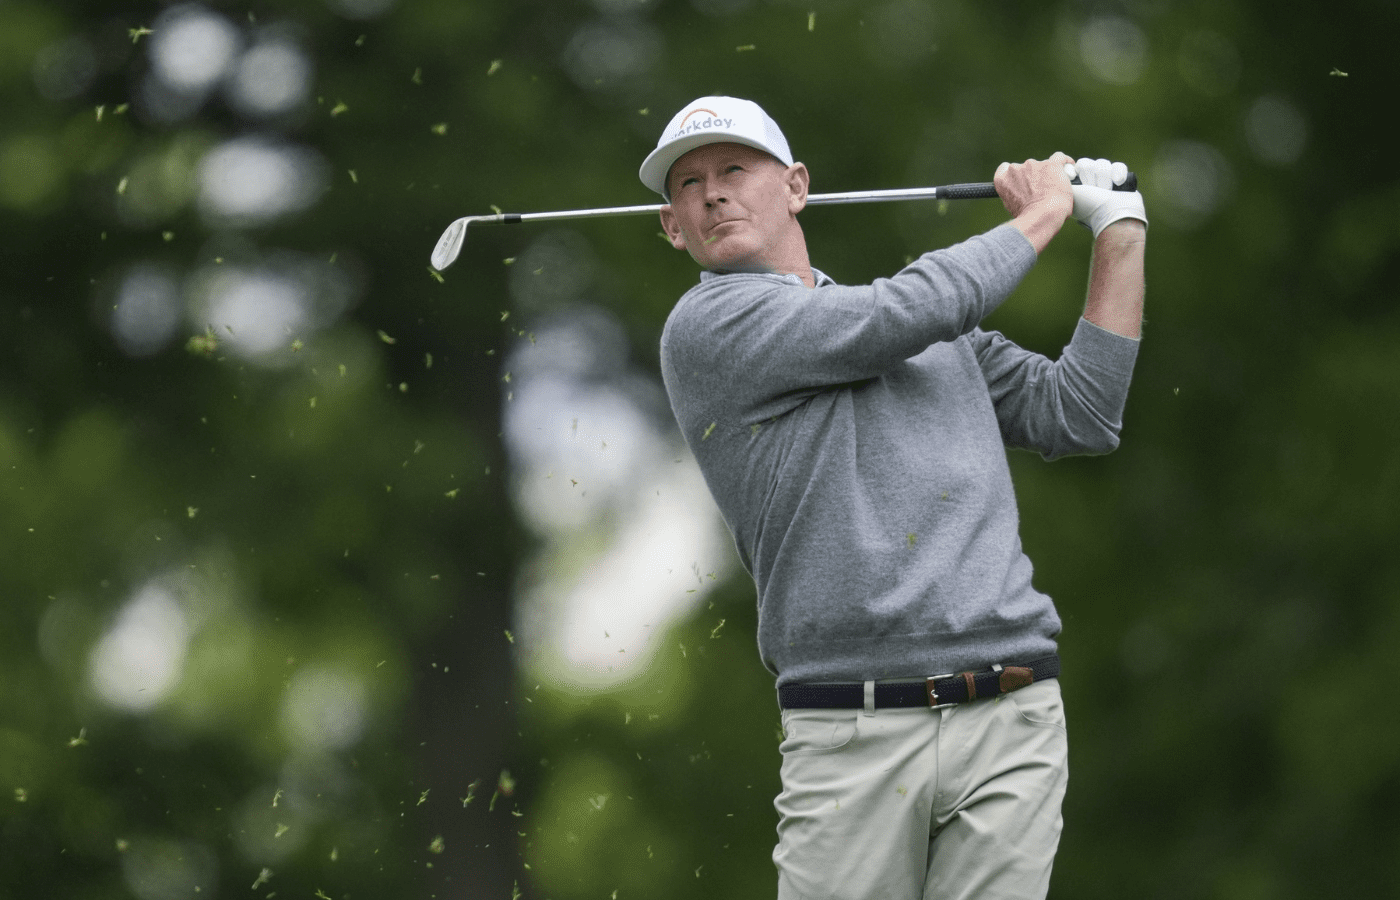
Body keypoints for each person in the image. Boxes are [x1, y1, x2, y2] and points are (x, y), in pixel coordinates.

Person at [640, 95, 1146, 900]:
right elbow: (901, 311)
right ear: (673, 227)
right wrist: (1044, 214)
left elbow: (1079, 414)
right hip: (850, 732)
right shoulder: (708, 328)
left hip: (1011, 714)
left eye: (734, 168)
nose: (712, 193)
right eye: (688, 185)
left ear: (796, 187)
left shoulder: (935, 335)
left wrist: (1118, 231)